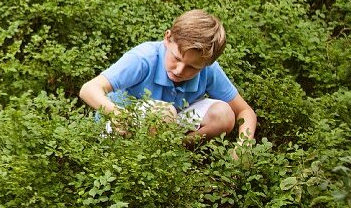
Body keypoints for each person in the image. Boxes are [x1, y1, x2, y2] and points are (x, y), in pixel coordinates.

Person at [78, 9, 258, 144]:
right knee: (164, 113)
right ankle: (148, 160)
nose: (180, 70)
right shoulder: (144, 58)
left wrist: (243, 147)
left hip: (167, 126)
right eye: (176, 58)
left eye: (192, 67)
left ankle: (175, 150)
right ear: (168, 38)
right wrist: (116, 114)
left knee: (224, 115)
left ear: (206, 64)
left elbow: (245, 111)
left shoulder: (208, 69)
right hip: (120, 127)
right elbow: (89, 89)